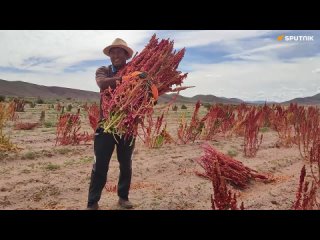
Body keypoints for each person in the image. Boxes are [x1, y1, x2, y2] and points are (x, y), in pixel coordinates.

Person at [86, 38, 146, 210]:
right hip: (106, 125)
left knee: (126, 165)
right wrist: (127, 78)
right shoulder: (103, 70)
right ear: (109, 55)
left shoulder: (136, 72)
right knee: (100, 166)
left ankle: (123, 197)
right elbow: (102, 84)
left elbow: (146, 96)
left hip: (127, 127)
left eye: (120, 51)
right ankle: (92, 202)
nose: (116, 55)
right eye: (113, 52)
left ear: (126, 55)